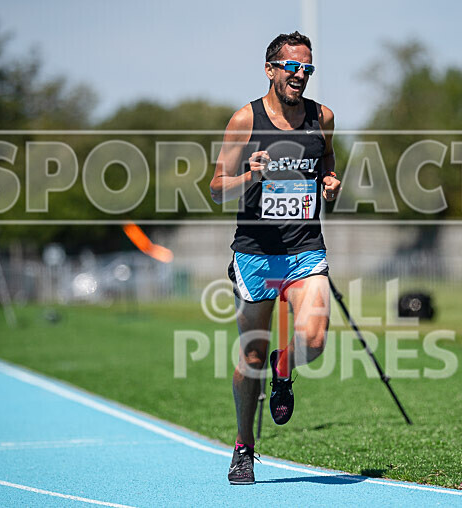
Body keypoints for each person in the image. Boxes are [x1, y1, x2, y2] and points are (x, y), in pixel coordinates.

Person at [209, 31, 341, 485]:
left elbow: (328, 165)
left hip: (306, 249)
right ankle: (244, 446)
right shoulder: (245, 120)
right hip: (256, 255)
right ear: (271, 70)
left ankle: (284, 371)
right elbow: (215, 188)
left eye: (307, 69)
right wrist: (251, 173)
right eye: (292, 68)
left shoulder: (322, 117)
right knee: (251, 355)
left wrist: (332, 186)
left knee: (316, 339)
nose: (300, 76)